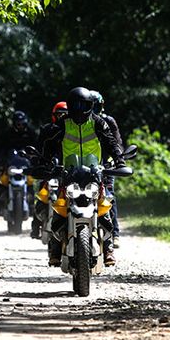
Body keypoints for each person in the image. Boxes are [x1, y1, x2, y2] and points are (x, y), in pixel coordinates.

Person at [39, 87, 123, 266]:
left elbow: (111, 141)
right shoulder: (63, 123)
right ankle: (55, 249)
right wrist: (44, 162)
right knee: (60, 207)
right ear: (69, 106)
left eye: (83, 105)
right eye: (75, 105)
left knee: (103, 205)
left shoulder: (98, 122)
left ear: (90, 106)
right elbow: (50, 143)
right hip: (68, 173)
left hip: (94, 172)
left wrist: (119, 160)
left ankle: (108, 248)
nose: (79, 109)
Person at [90, 90, 123, 249]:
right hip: (86, 165)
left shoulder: (108, 121)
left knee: (109, 196)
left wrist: (114, 160)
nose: (93, 109)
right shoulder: (80, 123)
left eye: (97, 106)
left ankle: (114, 234)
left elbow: (117, 144)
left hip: (105, 165)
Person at [30, 101, 68, 239]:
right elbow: (39, 148)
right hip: (50, 167)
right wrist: (37, 163)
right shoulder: (47, 129)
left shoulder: (72, 130)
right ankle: (35, 226)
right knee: (42, 194)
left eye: (65, 114)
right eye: (59, 114)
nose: (62, 117)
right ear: (54, 115)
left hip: (68, 168)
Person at [0, 110, 37, 214]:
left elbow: (38, 147)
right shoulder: (7, 133)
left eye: (22, 124)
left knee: (31, 182)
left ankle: (32, 204)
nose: (20, 126)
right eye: (18, 124)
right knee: (2, 180)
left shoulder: (31, 133)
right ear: (14, 123)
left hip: (26, 165)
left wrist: (36, 158)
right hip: (10, 164)